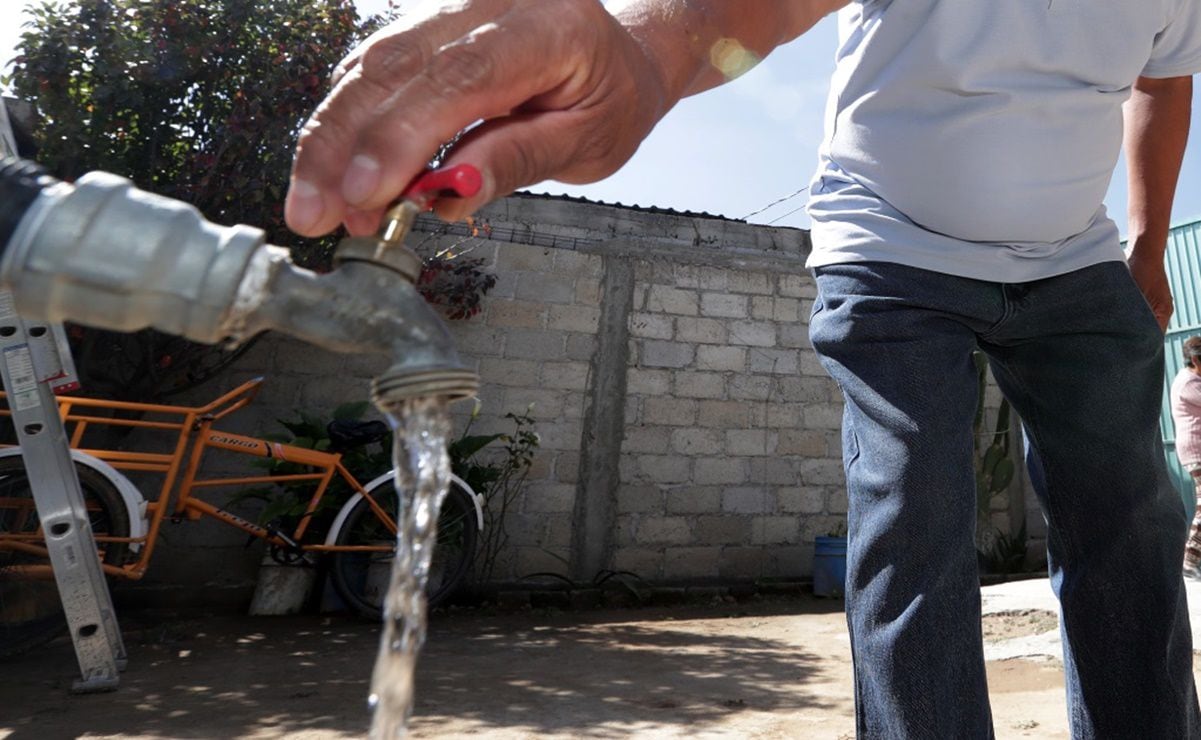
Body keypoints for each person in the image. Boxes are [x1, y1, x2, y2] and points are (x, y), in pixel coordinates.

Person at [284, 1, 1201, 736]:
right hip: (890, 251)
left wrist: (1150, 244)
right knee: (914, 509)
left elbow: (1163, 76)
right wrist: (643, 55)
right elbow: (757, 10)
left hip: (1071, 261)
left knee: (1132, 521)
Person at [1173, 336, 1201, 580]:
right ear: (1194, 359)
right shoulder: (1188, 382)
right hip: (1197, 450)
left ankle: (1190, 560)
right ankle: (1189, 560)